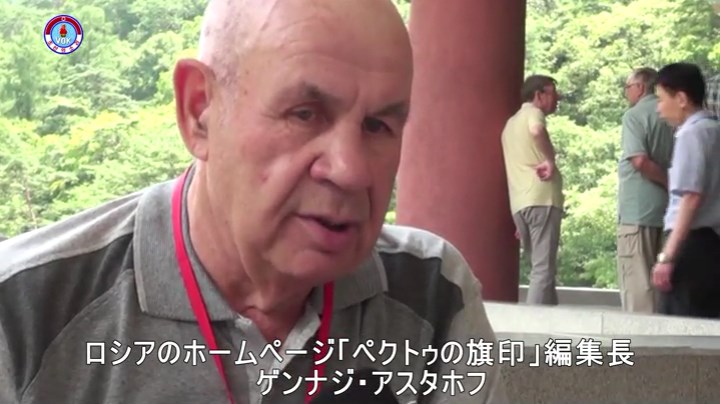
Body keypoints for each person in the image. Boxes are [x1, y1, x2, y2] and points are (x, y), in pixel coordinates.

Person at [0, 1, 508, 403]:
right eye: (305, 114)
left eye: (378, 126)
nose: (351, 170)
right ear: (200, 111)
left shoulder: (431, 292)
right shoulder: (25, 310)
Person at [652, 62, 720, 319]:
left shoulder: (691, 134)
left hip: (691, 245)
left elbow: (690, 197)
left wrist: (667, 257)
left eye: (661, 99)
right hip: (714, 243)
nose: (658, 108)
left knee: (681, 328)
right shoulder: (715, 130)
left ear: (681, 98)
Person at [616, 68, 675, 314]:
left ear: (640, 87)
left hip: (637, 212)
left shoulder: (634, 116)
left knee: (638, 287)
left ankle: (640, 338)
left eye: (628, 87)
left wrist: (667, 182)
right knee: (663, 287)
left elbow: (639, 160)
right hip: (668, 211)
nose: (626, 93)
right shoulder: (672, 115)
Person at [501, 75, 564, 305]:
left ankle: (551, 320)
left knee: (542, 269)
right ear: (538, 95)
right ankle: (532, 322)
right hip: (541, 199)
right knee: (543, 270)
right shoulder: (534, 114)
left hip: (520, 204)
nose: (557, 99)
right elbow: (537, 131)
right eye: (553, 93)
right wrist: (550, 160)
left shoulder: (509, 125)